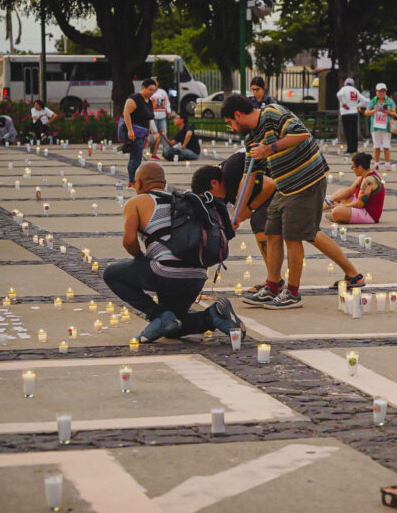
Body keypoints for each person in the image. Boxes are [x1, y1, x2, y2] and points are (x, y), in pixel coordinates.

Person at [222, 94, 365, 309]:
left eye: (230, 123)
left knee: (293, 235)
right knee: (272, 232)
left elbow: (300, 134)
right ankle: (272, 286)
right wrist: (236, 215)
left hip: (308, 179)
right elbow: (248, 177)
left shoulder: (272, 112)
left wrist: (268, 149)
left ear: (238, 115)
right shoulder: (252, 139)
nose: (231, 128)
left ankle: (293, 292)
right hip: (286, 185)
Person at [103, 162, 242, 343]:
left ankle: (159, 315)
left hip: (165, 272)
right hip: (196, 276)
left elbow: (129, 241)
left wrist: (140, 258)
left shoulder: (136, 202)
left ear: (138, 183)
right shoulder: (183, 202)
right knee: (172, 328)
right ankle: (212, 316)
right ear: (164, 182)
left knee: (112, 274)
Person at [216, 150, 278, 292]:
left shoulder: (231, 173)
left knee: (259, 222)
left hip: (285, 181)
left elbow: (269, 185)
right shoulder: (221, 181)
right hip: (268, 182)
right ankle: (274, 279)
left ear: (214, 184)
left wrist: (248, 209)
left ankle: (275, 281)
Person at [325, 152, 385, 224]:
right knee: (342, 192)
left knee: (336, 211)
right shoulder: (363, 177)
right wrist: (332, 200)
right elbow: (350, 191)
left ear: (359, 167)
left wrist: (342, 206)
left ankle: (336, 215)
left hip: (369, 215)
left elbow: (359, 204)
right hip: (362, 207)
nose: (352, 169)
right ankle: (319, 210)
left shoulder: (368, 181)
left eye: (353, 167)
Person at [120, 77, 158, 185]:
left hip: (142, 131)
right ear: (143, 87)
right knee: (136, 157)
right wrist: (130, 130)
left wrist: (147, 133)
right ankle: (132, 181)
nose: (152, 92)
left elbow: (148, 118)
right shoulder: (135, 98)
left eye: (153, 90)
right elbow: (126, 113)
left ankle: (134, 179)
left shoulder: (149, 101)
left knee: (137, 155)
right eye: (150, 89)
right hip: (133, 131)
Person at [364, 83, 397, 170]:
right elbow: (366, 112)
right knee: (376, 146)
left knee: (386, 146)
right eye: (380, 91)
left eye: (383, 91)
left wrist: (387, 112)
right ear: (376, 92)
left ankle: (387, 163)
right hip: (375, 126)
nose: (382, 93)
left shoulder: (389, 101)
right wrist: (374, 110)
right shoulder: (373, 101)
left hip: (387, 127)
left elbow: (394, 113)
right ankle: (376, 163)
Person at [337, 77, 369, 154]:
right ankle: (354, 149)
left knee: (348, 132)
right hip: (354, 113)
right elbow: (365, 100)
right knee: (354, 132)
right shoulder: (355, 90)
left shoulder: (344, 89)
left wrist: (344, 103)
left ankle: (349, 150)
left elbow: (339, 95)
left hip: (345, 113)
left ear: (345, 83)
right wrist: (357, 105)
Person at [149, 84, 172, 158]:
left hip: (162, 117)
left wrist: (168, 111)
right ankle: (152, 152)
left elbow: (167, 103)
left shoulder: (162, 92)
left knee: (164, 134)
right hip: (152, 117)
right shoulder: (149, 93)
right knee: (155, 135)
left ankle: (166, 150)